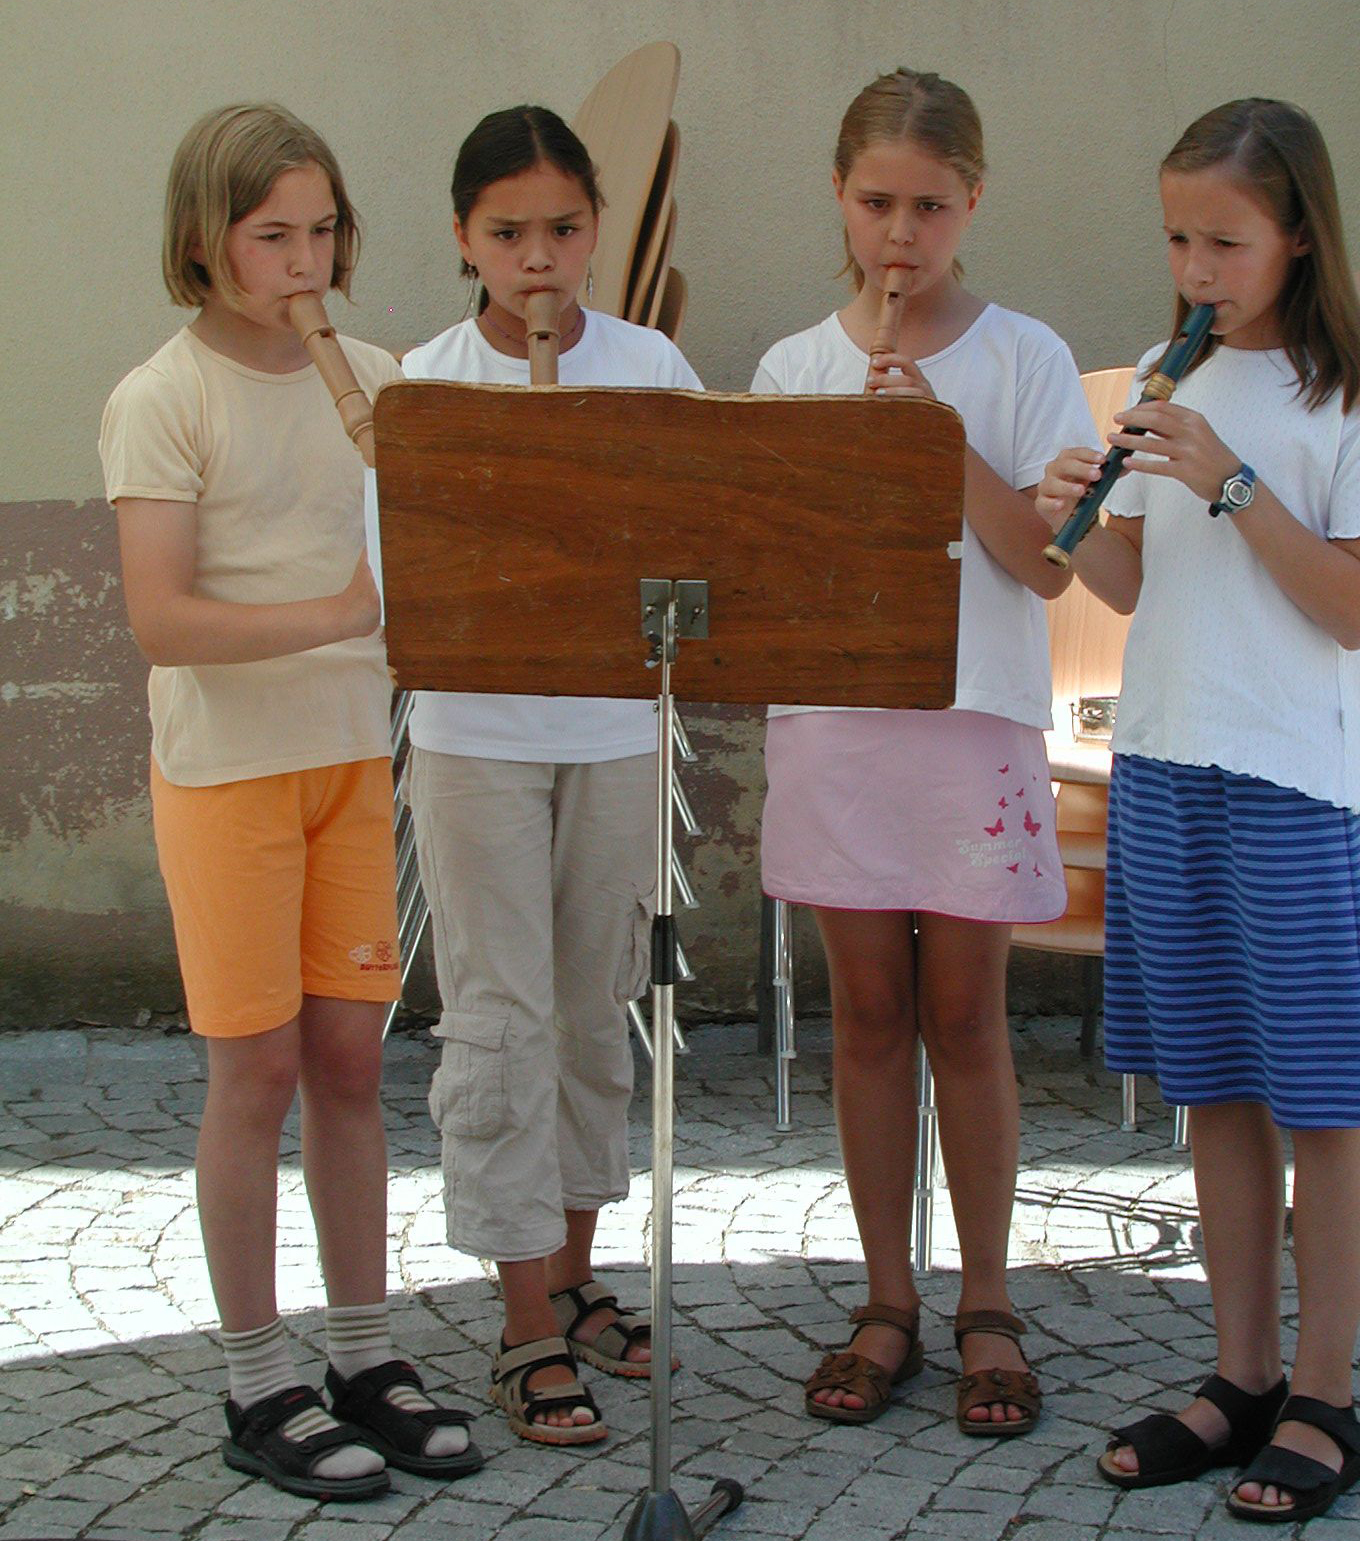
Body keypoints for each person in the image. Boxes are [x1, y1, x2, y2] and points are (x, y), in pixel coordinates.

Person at [1037, 98, 1360, 1523]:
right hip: (1165, 766)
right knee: (1212, 1089)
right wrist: (1077, 515)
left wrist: (1233, 479)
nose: (1195, 269)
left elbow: (1354, 607)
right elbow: (1137, 586)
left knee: (1324, 1100)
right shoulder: (1166, 372)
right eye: (1176, 241)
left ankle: (1326, 1396)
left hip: (1290, 785)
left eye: (1224, 242)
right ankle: (1242, 1376)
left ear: (1298, 235)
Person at [99, 102, 480, 1501]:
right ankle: (257, 1375)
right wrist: (342, 613)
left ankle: (363, 1352)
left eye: (322, 232)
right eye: (273, 237)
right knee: (254, 1073)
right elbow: (161, 621)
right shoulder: (164, 396)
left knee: (348, 1065)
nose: (305, 263)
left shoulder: (374, 379)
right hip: (227, 773)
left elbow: (426, 546)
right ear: (206, 242)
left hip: (348, 759)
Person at [752, 67, 1095, 1436]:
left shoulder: (1024, 357)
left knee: (964, 1013)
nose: (901, 235)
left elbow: (1049, 567)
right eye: (877, 203)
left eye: (932, 208)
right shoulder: (792, 368)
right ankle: (886, 1295)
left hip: (970, 721)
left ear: (973, 203)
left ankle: (988, 1298)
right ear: (839, 197)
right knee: (868, 1015)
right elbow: (781, 569)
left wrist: (936, 444)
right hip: (840, 722)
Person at [401, 104, 703, 1446]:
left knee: (592, 1004)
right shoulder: (422, 383)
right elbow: (404, 575)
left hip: (613, 730)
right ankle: (522, 1316)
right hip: (475, 735)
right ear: (464, 239)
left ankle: (576, 1275)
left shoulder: (650, 366)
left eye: (564, 230)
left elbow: (696, 538)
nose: (539, 259)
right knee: (500, 1012)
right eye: (509, 232)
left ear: (596, 232)